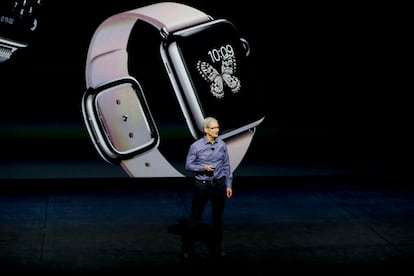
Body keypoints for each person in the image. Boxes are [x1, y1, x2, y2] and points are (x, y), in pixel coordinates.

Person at [182, 116, 233, 260]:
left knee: (218, 219)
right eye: (213, 128)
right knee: (195, 218)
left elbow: (227, 166)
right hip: (202, 186)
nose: (217, 130)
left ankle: (217, 247)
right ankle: (188, 248)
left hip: (219, 185)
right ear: (206, 130)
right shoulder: (196, 146)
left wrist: (228, 184)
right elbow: (188, 165)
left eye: (217, 127)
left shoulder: (222, 145)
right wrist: (203, 167)